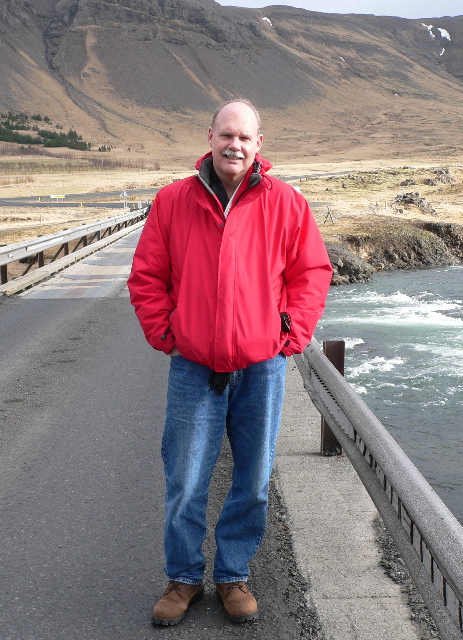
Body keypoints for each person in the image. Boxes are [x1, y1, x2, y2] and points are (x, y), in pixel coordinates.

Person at [127, 99, 333, 626]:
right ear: (210, 137)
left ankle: (234, 574)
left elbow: (311, 273)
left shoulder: (286, 203)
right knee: (185, 475)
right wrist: (167, 332)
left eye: (244, 137)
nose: (234, 145)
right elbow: (148, 275)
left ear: (258, 144)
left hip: (261, 366)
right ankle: (183, 577)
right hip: (193, 365)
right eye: (226, 135)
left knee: (255, 475)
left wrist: (289, 332)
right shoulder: (172, 201)